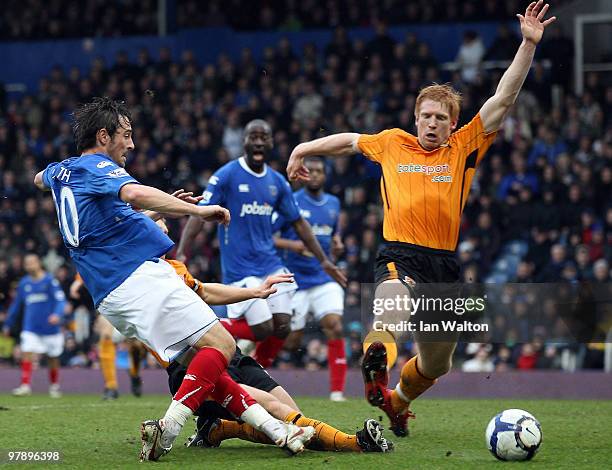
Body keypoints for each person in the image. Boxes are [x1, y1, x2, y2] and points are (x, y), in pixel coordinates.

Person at [286, 1, 556, 437]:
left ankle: (396, 401)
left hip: (444, 265)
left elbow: (503, 97)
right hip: (400, 254)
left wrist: (527, 44)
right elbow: (349, 142)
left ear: (452, 124)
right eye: (425, 116)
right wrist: (303, 149)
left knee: (437, 363)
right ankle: (376, 364)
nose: (432, 123)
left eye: (440, 118)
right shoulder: (393, 143)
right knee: (392, 303)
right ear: (415, 119)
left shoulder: (465, 146)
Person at [34, 97, 314, 461]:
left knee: (210, 365)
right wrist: (197, 209)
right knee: (223, 346)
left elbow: (40, 179)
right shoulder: (98, 167)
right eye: (126, 135)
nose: (131, 144)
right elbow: (132, 192)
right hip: (137, 276)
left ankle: (279, 431)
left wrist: (55, 175)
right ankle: (169, 426)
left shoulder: (62, 172)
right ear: (103, 136)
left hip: (110, 295)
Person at [154, 217, 392, 453]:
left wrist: (255, 292)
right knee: (273, 409)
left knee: (292, 413)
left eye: (166, 232)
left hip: (229, 354)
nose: (164, 239)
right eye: (157, 231)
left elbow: (204, 290)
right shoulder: (139, 280)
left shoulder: (176, 269)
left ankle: (217, 429)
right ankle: (356, 443)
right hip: (193, 367)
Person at [177, 119, 346, 368]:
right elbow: (200, 214)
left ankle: (258, 370)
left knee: (283, 326)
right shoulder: (226, 175)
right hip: (240, 268)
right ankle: (209, 328)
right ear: (243, 141)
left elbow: (299, 224)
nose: (257, 141)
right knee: (264, 328)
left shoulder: (277, 183)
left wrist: (324, 260)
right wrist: (182, 252)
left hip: (270, 263)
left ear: (271, 143)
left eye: (263, 137)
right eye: (252, 136)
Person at [273, 156, 347, 401]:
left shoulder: (334, 203)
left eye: (319, 171)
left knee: (334, 326)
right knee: (291, 341)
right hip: (294, 280)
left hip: (323, 276)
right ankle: (257, 364)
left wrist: (336, 245)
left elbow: (333, 234)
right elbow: (269, 237)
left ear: (325, 175)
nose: (314, 175)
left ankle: (337, 391)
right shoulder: (291, 201)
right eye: (310, 171)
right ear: (303, 174)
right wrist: (294, 245)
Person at [70, 273, 146, 399]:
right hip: (109, 300)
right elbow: (90, 259)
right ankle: (111, 386)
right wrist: (78, 280)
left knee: (136, 343)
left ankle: (135, 374)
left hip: (132, 299)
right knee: (105, 336)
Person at [3, 253, 66, 398]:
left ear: (38, 263)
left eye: (32, 262)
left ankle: (54, 386)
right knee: (27, 352)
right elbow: (16, 305)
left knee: (53, 358)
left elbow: (60, 300)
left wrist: (57, 314)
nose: (29, 265)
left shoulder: (50, 281)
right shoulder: (24, 283)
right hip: (30, 327)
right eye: (27, 263)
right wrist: (8, 323)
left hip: (51, 329)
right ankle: (25, 385)